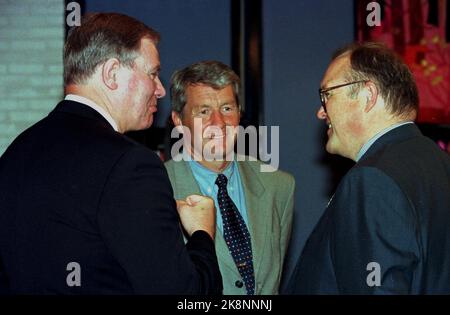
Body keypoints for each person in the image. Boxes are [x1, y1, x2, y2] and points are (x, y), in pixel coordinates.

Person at [0, 13, 222, 294]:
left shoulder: (15, 154)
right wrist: (202, 234)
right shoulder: (130, 165)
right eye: (153, 73)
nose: (161, 90)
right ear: (112, 73)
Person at [286, 42, 450, 294]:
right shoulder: (440, 164)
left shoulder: (371, 179)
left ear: (368, 95)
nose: (321, 112)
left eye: (327, 94)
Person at [165, 61, 295, 295]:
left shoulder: (279, 186)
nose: (219, 123)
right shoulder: (158, 189)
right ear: (178, 121)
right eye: (204, 111)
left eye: (227, 108)